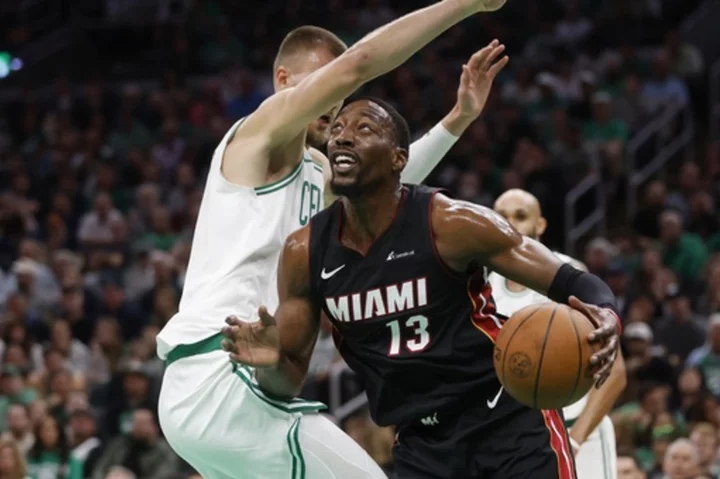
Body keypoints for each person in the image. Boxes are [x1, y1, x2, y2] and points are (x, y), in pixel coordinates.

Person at [157, 0, 509, 477]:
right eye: (327, 83)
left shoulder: (319, 171)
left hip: (234, 383)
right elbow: (360, 64)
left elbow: (388, 189)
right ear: (284, 82)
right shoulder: (257, 139)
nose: (336, 102)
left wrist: (457, 120)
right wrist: (465, 5)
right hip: (218, 376)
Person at [221, 97, 622, 478]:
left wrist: (605, 311)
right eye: (338, 127)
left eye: (363, 128)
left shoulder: (451, 224)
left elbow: (572, 281)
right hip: (421, 442)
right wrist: (272, 363)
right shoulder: (304, 251)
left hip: (505, 417)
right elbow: (288, 380)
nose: (342, 136)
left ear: (399, 157)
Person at [487, 189, 627, 479]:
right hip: (520, 436)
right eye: (501, 216)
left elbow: (615, 373)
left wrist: (575, 438)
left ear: (540, 226)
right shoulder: (484, 287)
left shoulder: (570, 275)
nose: (510, 223)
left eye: (520, 216)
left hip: (579, 428)